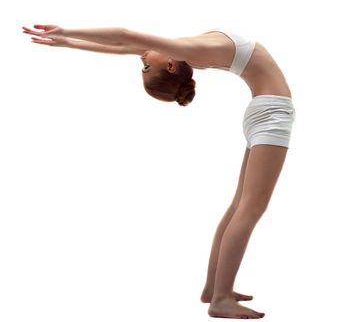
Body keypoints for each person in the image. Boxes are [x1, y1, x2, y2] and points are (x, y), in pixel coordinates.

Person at [22, 24, 296, 319]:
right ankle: (221, 298)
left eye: (142, 65)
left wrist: (69, 42)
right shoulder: (188, 51)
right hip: (272, 114)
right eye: (145, 66)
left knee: (238, 207)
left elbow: (122, 46)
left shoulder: (186, 51)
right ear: (168, 63)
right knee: (249, 209)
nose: (142, 58)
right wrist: (67, 32)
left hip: (263, 110)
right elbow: (124, 35)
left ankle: (213, 288)